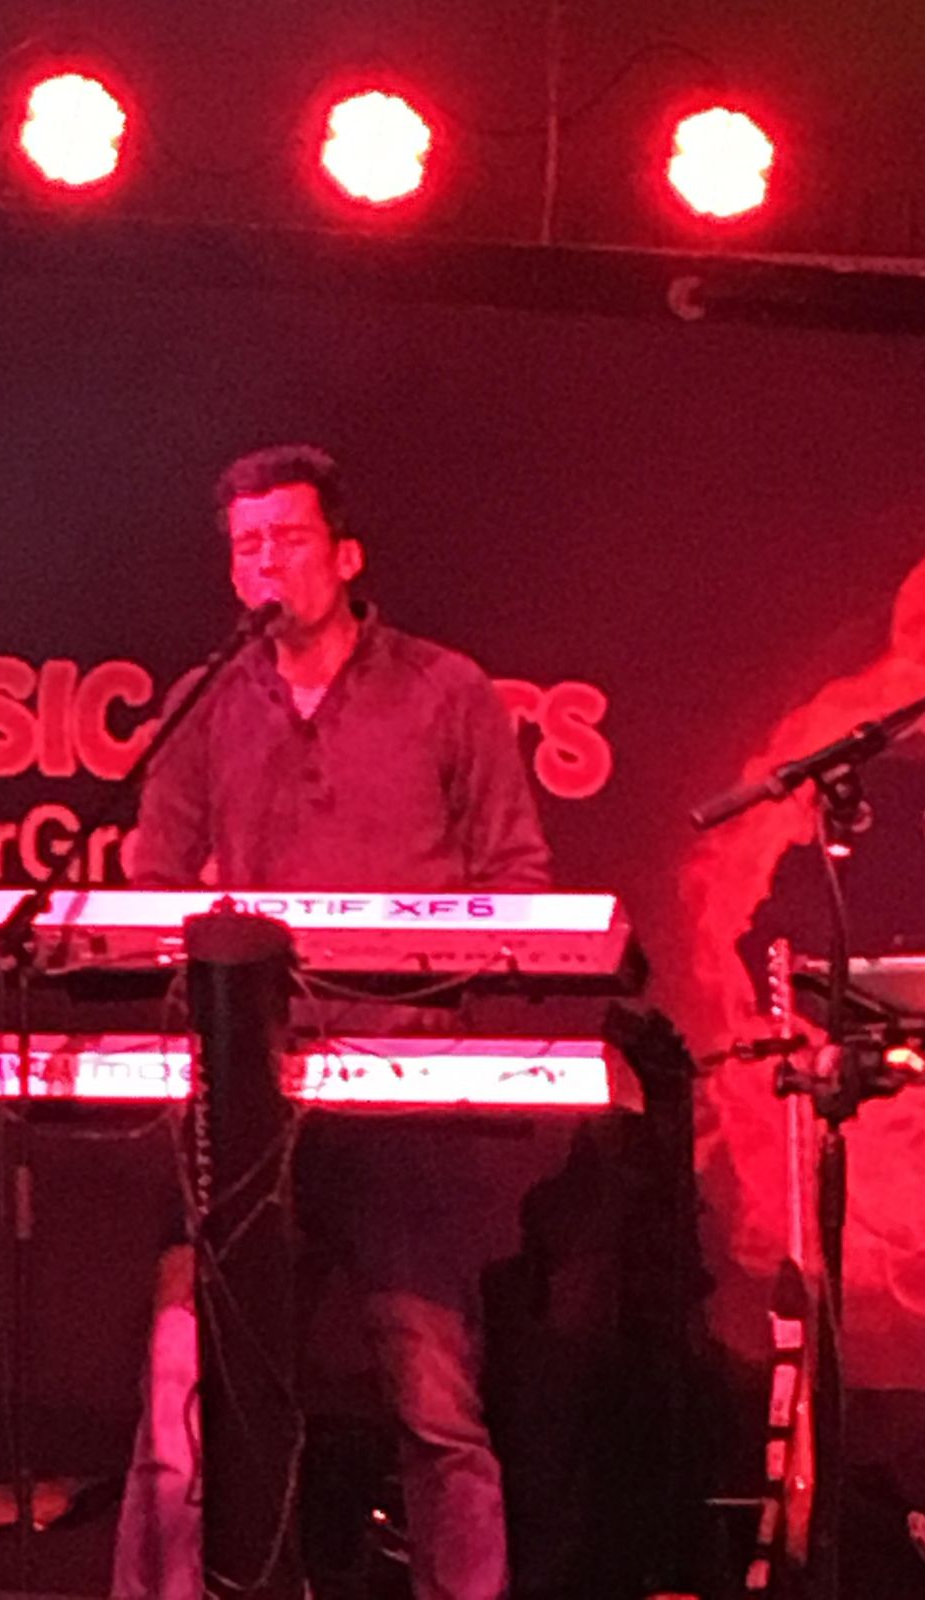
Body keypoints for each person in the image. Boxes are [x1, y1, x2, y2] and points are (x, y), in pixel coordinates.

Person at [113, 444, 553, 1600]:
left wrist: (423, 959)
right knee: (179, 1409)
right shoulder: (208, 701)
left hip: (399, 1098)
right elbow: (148, 880)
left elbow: (519, 881)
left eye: (290, 539)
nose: (267, 562)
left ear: (347, 556)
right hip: (242, 1097)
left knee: (437, 1409)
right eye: (247, 545)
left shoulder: (446, 690)